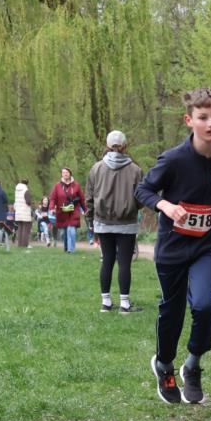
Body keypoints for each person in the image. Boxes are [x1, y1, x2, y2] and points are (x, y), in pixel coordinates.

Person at [134, 87, 211, 405]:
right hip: (172, 247)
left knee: (205, 305)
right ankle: (164, 365)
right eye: (203, 118)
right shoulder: (174, 159)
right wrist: (165, 206)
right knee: (173, 311)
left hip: (207, 246)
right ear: (189, 120)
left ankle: (192, 366)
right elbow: (143, 190)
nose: (210, 124)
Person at [86, 129, 144, 313]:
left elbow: (89, 198)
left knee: (107, 261)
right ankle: (125, 304)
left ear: (107, 146)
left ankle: (106, 302)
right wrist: (133, 207)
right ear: (125, 146)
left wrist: (90, 220)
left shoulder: (96, 169)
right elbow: (141, 198)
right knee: (124, 263)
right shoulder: (135, 170)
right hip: (127, 223)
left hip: (103, 222)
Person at [49, 167, 85, 253]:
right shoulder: (57, 186)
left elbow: (82, 198)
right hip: (62, 211)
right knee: (65, 231)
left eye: (67, 172)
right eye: (63, 173)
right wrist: (51, 208)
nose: (65, 174)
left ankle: (71, 249)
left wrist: (85, 209)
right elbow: (53, 199)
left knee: (71, 228)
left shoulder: (76, 185)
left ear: (70, 173)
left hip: (74, 210)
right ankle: (66, 247)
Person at [14, 179, 34, 248]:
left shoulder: (17, 190)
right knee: (26, 229)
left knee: (20, 228)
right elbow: (28, 201)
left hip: (18, 211)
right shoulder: (26, 190)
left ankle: (19, 244)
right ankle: (25, 244)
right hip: (25, 211)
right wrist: (32, 202)